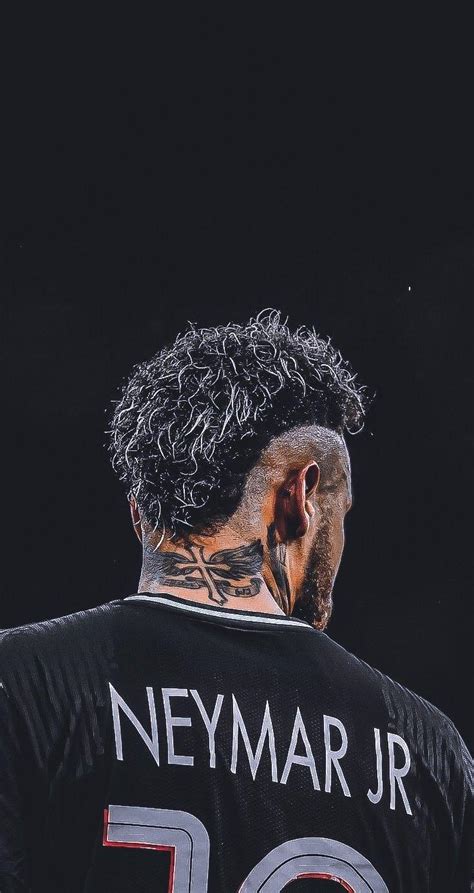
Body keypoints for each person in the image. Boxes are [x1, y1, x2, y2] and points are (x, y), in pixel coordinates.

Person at [0, 309, 471, 891]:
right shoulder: (427, 753)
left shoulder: (22, 686)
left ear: (140, 514)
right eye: (343, 512)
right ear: (300, 495)